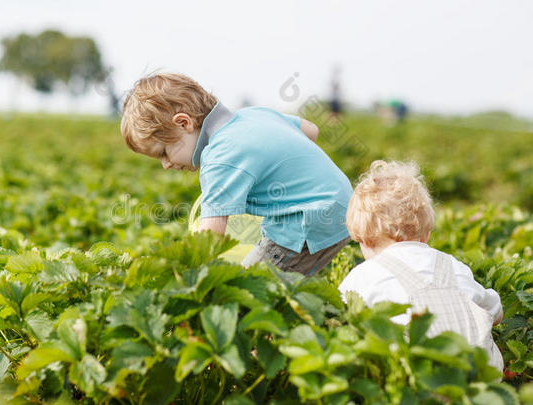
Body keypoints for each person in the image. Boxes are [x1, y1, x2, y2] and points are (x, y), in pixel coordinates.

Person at [120, 73, 353, 276]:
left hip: (307, 221)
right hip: (345, 203)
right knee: (290, 280)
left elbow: (211, 236)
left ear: (183, 123)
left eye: (163, 152)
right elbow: (311, 130)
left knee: (249, 285)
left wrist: (187, 275)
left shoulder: (218, 158)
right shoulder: (253, 114)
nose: (166, 165)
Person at [338, 160, 503, 371]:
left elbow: (339, 318)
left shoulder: (363, 275)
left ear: (364, 239)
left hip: (413, 378)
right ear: (426, 234)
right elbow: (496, 313)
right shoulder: (453, 265)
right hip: (478, 376)